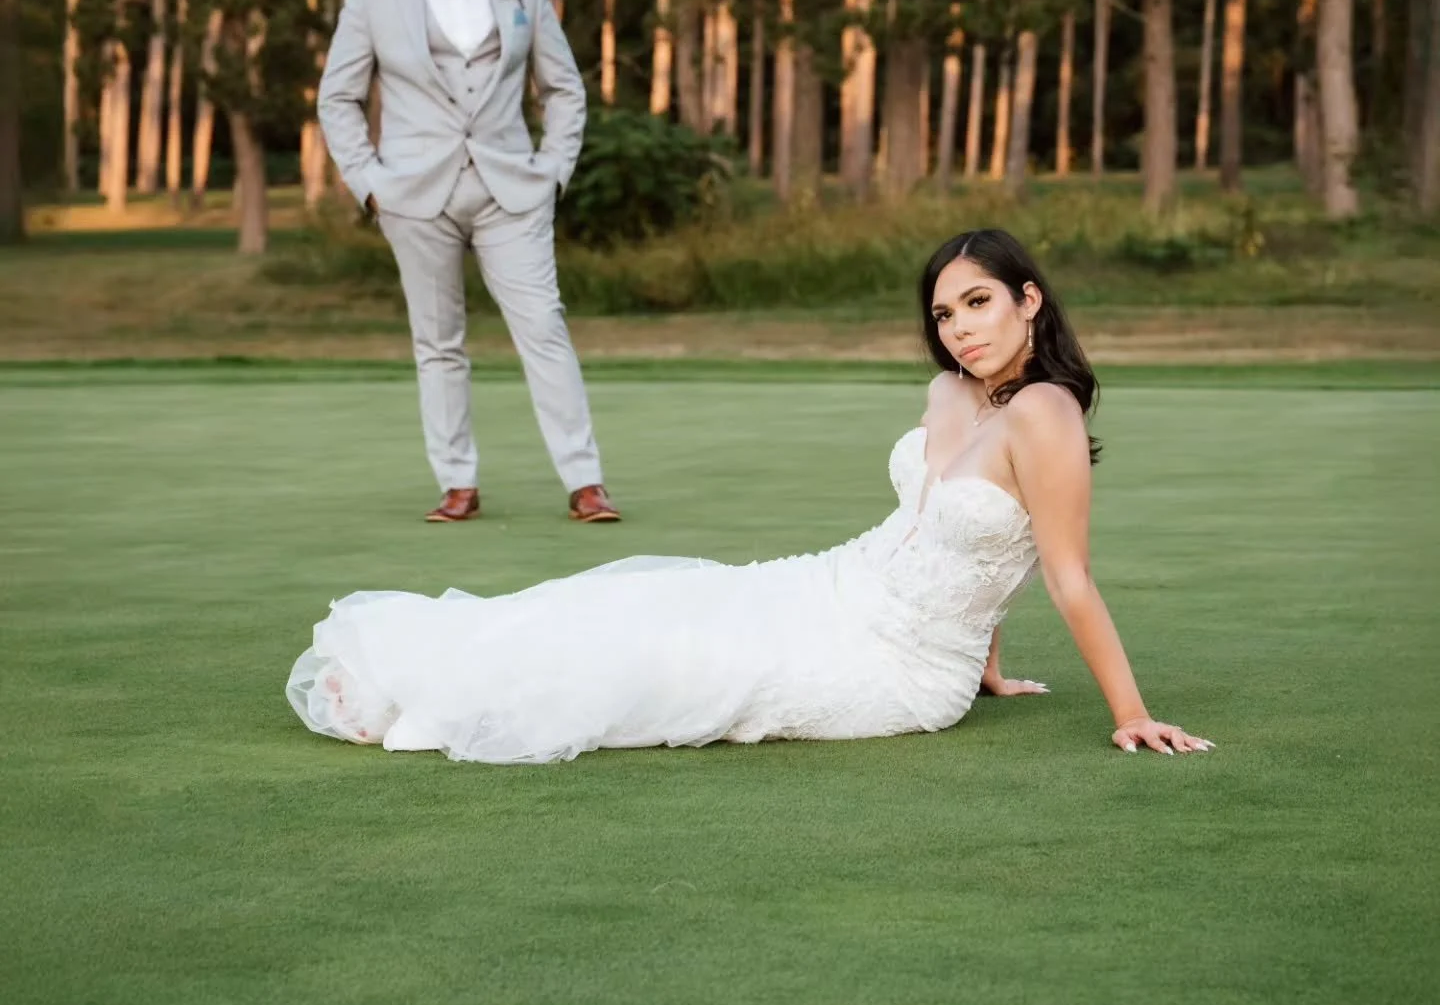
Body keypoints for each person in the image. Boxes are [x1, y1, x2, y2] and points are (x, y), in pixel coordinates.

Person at [285, 229, 1212, 763]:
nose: (960, 329)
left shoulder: (1045, 411)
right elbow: (950, 532)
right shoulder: (951, 392)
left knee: (690, 671)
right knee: (641, 599)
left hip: (895, 669)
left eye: (978, 303)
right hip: (833, 584)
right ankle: (433, 669)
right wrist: (993, 662)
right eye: (943, 313)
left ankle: (442, 704)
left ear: (1029, 301)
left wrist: (1128, 713)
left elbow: (1063, 573)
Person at [317, 0, 620, 526]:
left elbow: (563, 89)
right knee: (438, 342)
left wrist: (553, 173)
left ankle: (585, 481)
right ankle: (458, 483)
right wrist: (369, 185)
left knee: (544, 327)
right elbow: (337, 96)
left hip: (511, 190)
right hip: (412, 194)